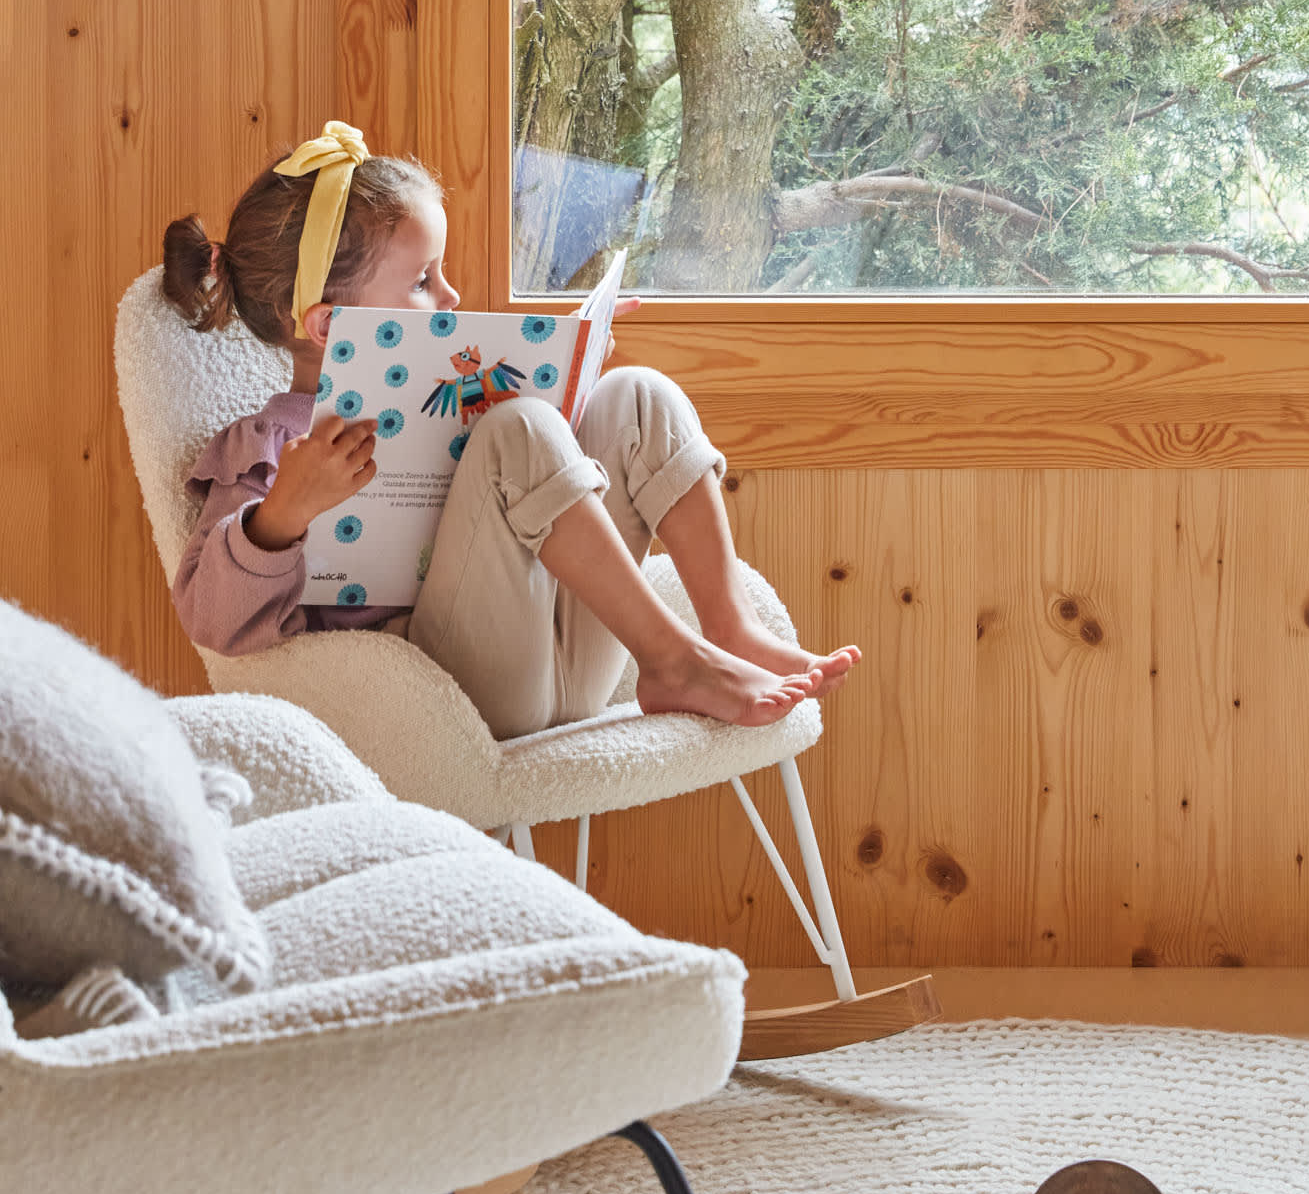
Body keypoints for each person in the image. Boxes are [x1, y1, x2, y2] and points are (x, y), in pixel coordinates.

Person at [162, 124, 857, 737]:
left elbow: (556, 484)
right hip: (455, 697)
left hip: (565, 654)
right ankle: (675, 660)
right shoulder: (272, 449)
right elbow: (210, 619)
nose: (452, 297)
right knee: (517, 428)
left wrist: (572, 376)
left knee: (637, 394)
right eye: (423, 281)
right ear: (325, 325)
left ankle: (727, 627)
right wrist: (282, 514)